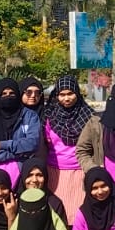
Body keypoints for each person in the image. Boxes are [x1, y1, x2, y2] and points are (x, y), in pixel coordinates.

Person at [41, 72, 94, 221]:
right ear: (56, 95)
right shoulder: (49, 116)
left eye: (70, 93)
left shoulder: (89, 116)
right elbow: (46, 142)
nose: (66, 98)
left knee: (78, 215)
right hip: (55, 172)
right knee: (56, 215)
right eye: (62, 94)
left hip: (80, 171)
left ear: (77, 93)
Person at [0, 78, 42, 185]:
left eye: (12, 93)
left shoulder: (29, 116)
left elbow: (32, 143)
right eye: (4, 94)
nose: (8, 96)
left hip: (22, 175)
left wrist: (3, 145)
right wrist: (16, 154)